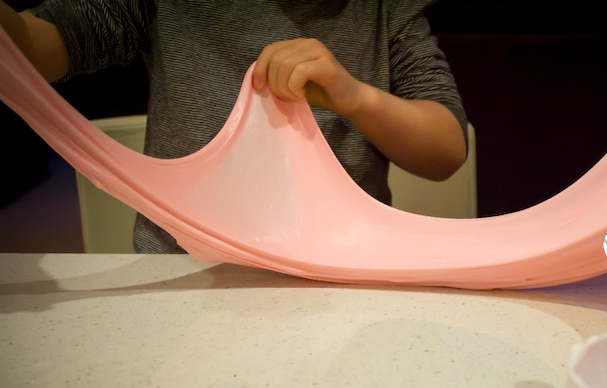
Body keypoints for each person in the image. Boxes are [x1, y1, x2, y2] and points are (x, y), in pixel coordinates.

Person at [0, 0, 468, 254]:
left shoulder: (385, 9)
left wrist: (358, 96)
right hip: (184, 273)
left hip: (342, 271)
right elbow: (39, 44)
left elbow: (446, 149)